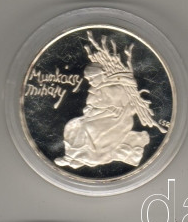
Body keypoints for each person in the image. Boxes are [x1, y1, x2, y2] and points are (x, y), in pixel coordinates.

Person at [55, 32, 166, 169]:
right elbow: (90, 106)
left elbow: (125, 107)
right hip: (97, 117)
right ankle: (71, 157)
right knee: (72, 125)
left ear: (101, 75)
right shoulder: (95, 90)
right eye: (88, 79)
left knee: (89, 128)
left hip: (116, 120)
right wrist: (91, 111)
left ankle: (83, 158)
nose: (90, 81)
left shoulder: (115, 88)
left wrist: (108, 110)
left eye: (91, 78)